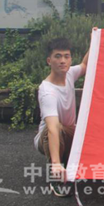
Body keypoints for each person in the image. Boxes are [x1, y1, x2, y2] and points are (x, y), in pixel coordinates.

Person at [33, 38, 88, 197]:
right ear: (49, 61)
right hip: (49, 137)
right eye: (57, 56)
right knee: (59, 129)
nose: (62, 61)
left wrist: (95, 39)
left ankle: (69, 163)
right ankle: (55, 174)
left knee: (88, 130)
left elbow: (85, 65)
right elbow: (52, 128)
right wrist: (56, 164)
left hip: (69, 132)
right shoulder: (47, 91)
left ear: (70, 59)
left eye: (66, 56)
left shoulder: (70, 74)